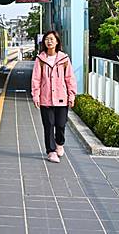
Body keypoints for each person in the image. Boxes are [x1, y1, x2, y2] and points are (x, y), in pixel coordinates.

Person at [31, 30, 77, 163]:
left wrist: (71, 95)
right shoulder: (40, 59)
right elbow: (36, 79)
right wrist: (36, 96)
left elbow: (70, 78)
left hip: (61, 98)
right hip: (46, 98)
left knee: (61, 124)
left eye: (51, 39)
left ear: (57, 42)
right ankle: (51, 151)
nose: (49, 41)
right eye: (46, 39)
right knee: (49, 125)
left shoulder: (64, 59)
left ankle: (59, 144)